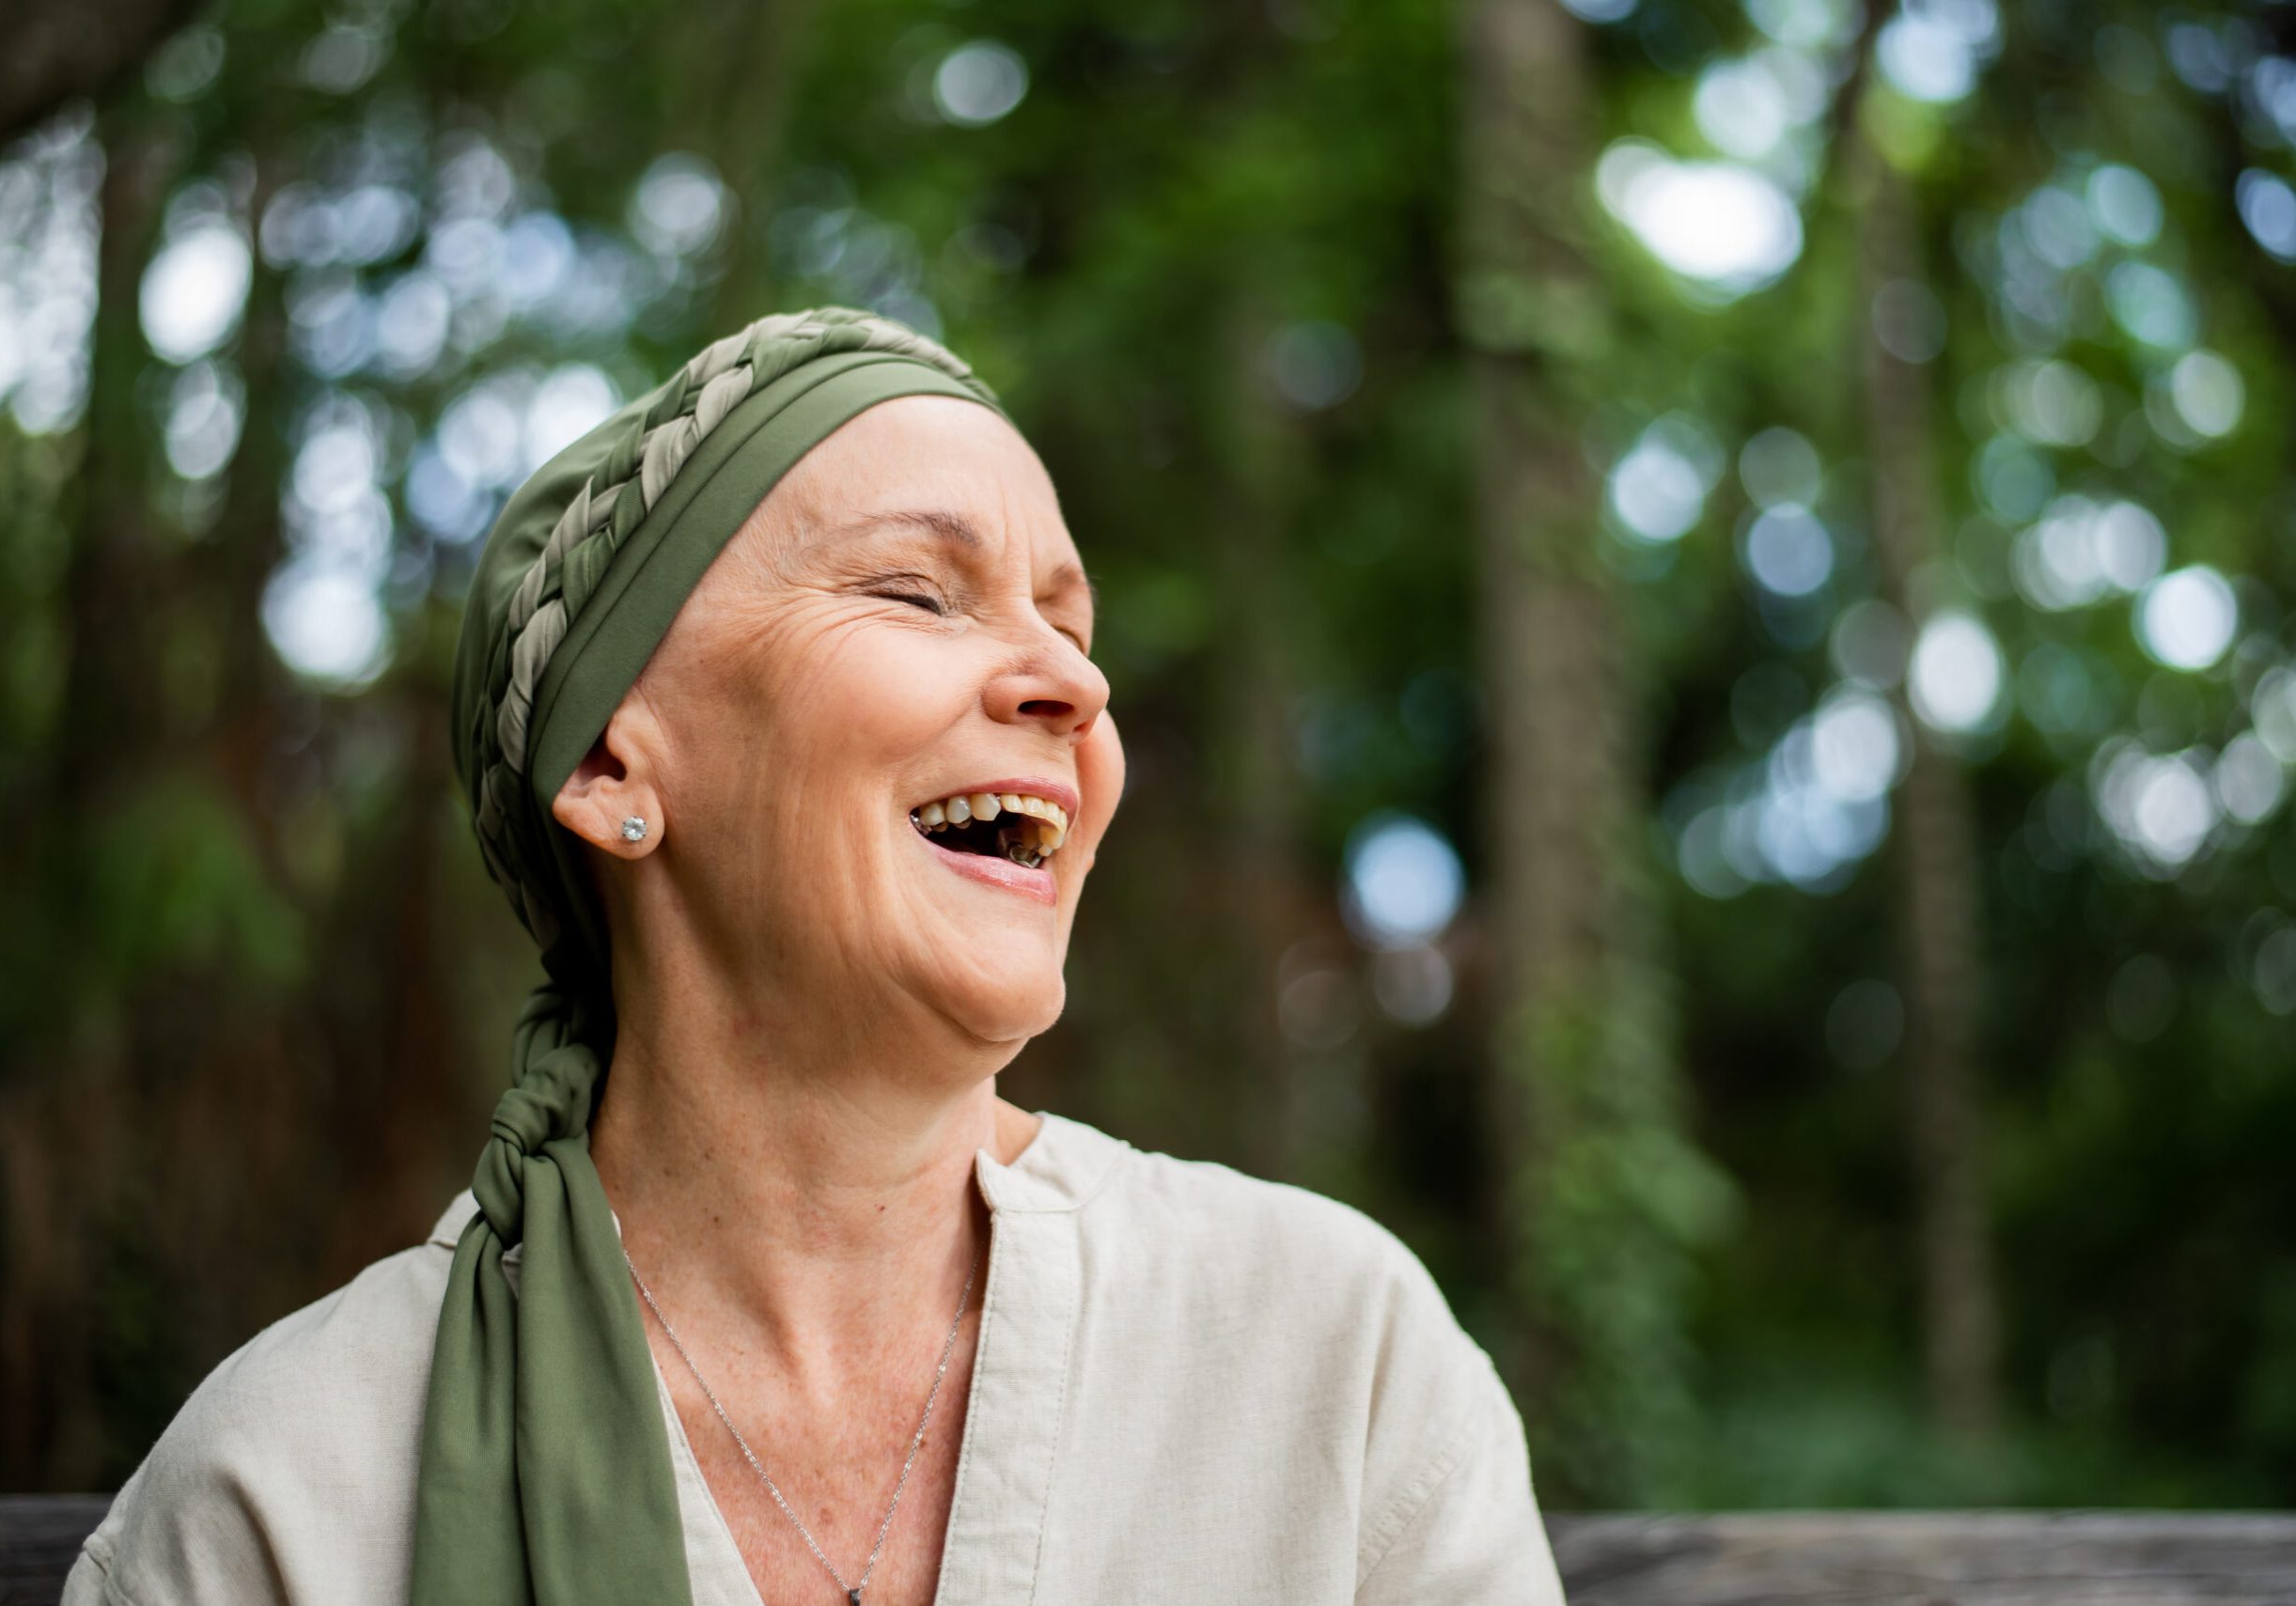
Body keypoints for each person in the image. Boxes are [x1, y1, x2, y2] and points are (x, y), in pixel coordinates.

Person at [62, 307, 1567, 1605]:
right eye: (917, 591)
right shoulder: (282, 1492)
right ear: (609, 763)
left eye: (1069, 622)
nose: (1074, 679)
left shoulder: (1331, 1357)